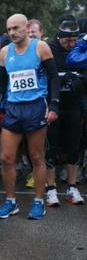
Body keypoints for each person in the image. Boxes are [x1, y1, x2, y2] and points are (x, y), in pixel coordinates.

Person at [0, 14, 60, 220]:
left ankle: (39, 201)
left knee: (37, 157)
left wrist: (54, 104)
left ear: (27, 27)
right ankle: (11, 202)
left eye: (16, 28)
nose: (12, 32)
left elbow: (54, 77)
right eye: (9, 29)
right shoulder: (4, 52)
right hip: (13, 108)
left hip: (36, 106)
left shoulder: (40, 48)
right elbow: (2, 83)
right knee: (6, 158)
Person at [44, 20, 85, 207]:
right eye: (68, 40)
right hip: (53, 105)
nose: (72, 44)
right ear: (59, 37)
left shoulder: (80, 48)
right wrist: (61, 78)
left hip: (74, 105)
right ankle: (50, 189)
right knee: (51, 146)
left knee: (73, 145)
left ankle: (72, 187)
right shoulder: (48, 48)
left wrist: (81, 78)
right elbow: (41, 74)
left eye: (75, 40)